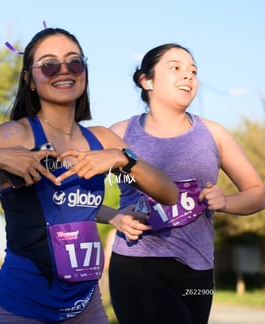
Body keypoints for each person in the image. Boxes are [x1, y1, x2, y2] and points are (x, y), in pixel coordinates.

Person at [0, 27, 178, 323]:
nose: (63, 71)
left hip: (85, 304)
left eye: (74, 62)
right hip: (25, 304)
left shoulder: (103, 138)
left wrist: (123, 160)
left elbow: (168, 193)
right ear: (29, 79)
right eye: (49, 65)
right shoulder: (11, 134)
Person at [107, 43, 265, 324]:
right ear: (147, 80)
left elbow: (257, 193)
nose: (188, 76)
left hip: (198, 270)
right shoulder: (119, 134)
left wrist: (226, 202)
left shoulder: (213, 134)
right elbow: (78, 193)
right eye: (176, 68)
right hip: (137, 263)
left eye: (193, 70)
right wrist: (114, 217)